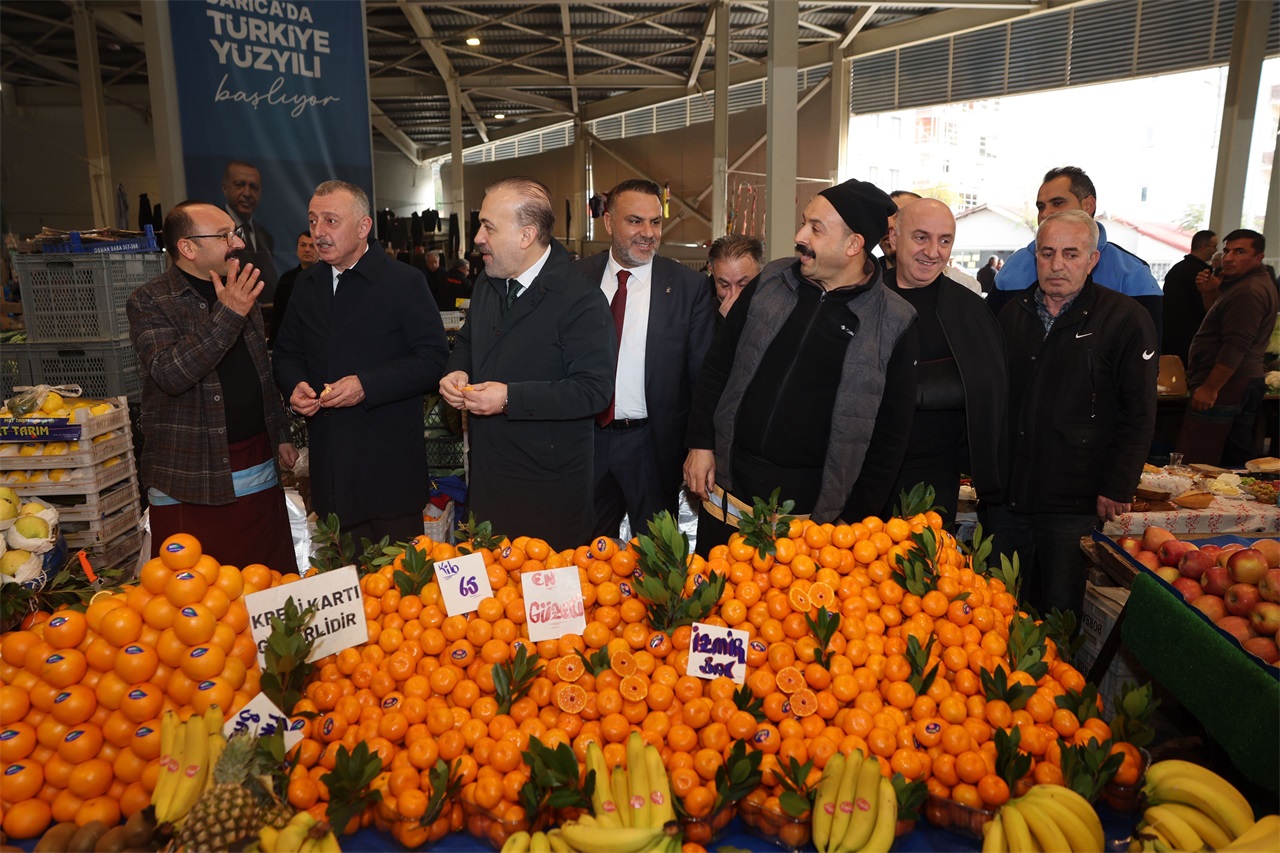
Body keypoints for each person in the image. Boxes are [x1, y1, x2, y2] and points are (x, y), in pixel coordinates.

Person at [683, 178, 919, 556]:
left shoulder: (893, 322)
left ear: (853, 245)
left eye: (816, 228)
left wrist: (855, 518)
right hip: (728, 487)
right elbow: (718, 364)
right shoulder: (771, 282)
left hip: (812, 516)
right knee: (715, 587)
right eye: (804, 222)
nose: (800, 236)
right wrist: (700, 443)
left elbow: (891, 437)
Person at [991, 210, 1158, 618]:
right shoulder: (1012, 314)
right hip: (1010, 495)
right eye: (1047, 253)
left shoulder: (1124, 319)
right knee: (996, 606)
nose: (1057, 265)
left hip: (1076, 497)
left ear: (1092, 260)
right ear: (1035, 256)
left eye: (1071, 254)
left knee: (1060, 612)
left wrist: (1119, 484)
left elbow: (1139, 412)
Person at [439, 177, 615, 550]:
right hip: (487, 480)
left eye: (488, 227)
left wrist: (509, 399)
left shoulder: (580, 299)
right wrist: (457, 370)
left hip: (547, 493)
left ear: (526, 235)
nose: (478, 239)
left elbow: (593, 391)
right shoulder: (488, 283)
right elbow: (468, 340)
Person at [273, 180, 448, 545]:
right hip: (331, 474)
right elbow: (287, 352)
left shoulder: (404, 282)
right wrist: (294, 385)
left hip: (389, 471)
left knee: (398, 577)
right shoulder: (306, 284)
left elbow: (433, 359)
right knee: (344, 572)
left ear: (363, 226)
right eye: (313, 221)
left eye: (331, 221)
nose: (319, 232)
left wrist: (366, 385)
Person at [127, 201, 296, 570]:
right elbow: (170, 373)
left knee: (266, 580)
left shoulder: (240, 290)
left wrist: (281, 431)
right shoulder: (150, 301)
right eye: (224, 236)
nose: (238, 243)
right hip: (190, 475)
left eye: (235, 233)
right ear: (188, 248)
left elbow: (260, 369)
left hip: (255, 462)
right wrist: (228, 314)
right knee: (194, 590)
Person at [574, 179, 715, 537]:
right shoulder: (576, 279)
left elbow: (703, 378)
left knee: (657, 557)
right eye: (635, 221)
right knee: (586, 552)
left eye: (656, 222)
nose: (648, 233)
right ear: (609, 223)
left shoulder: (689, 287)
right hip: (585, 442)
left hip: (652, 447)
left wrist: (702, 444)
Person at [885, 199, 1007, 525]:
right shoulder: (863, 299)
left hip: (934, 474)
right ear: (894, 238)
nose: (933, 251)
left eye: (944, 240)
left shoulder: (970, 311)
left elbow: (991, 395)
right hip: (861, 469)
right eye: (921, 237)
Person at [990, 166, 1163, 340]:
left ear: (1088, 205)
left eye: (1058, 203)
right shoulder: (1013, 266)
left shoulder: (1133, 273)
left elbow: (1147, 347)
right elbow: (989, 337)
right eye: (1041, 207)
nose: (1045, 214)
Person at [1176, 230, 1279, 466]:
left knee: (1202, 457)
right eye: (1227, 251)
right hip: (1235, 380)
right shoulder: (1242, 285)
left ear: (1258, 257)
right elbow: (1223, 325)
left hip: (1229, 382)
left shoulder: (1248, 291)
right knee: (1229, 452)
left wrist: (1211, 388)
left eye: (1240, 252)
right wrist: (1210, 293)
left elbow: (1236, 344)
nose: (1229, 258)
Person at [879, 190, 982, 294]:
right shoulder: (870, 284)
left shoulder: (967, 289)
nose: (890, 223)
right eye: (885, 216)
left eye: (901, 216)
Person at [221, 160, 278, 300]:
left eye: (254, 187)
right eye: (239, 185)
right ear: (225, 188)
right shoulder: (215, 233)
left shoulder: (266, 237)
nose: (247, 193)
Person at [1161, 230, 1219, 366]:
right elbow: (1206, 308)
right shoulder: (1203, 274)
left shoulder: (1176, 268)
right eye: (1214, 247)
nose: (1216, 251)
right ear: (1204, 248)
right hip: (1191, 335)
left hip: (1169, 333)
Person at [706, 234, 764, 330]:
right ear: (712, 272)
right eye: (725, 285)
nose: (734, 295)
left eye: (743, 285)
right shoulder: (702, 316)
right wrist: (722, 322)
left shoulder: (776, 312)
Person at [268, 231, 317, 343]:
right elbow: (278, 315)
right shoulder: (286, 280)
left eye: (312, 246)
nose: (307, 250)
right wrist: (272, 344)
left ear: (320, 250)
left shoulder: (328, 278)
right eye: (303, 245)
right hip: (291, 340)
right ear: (297, 250)